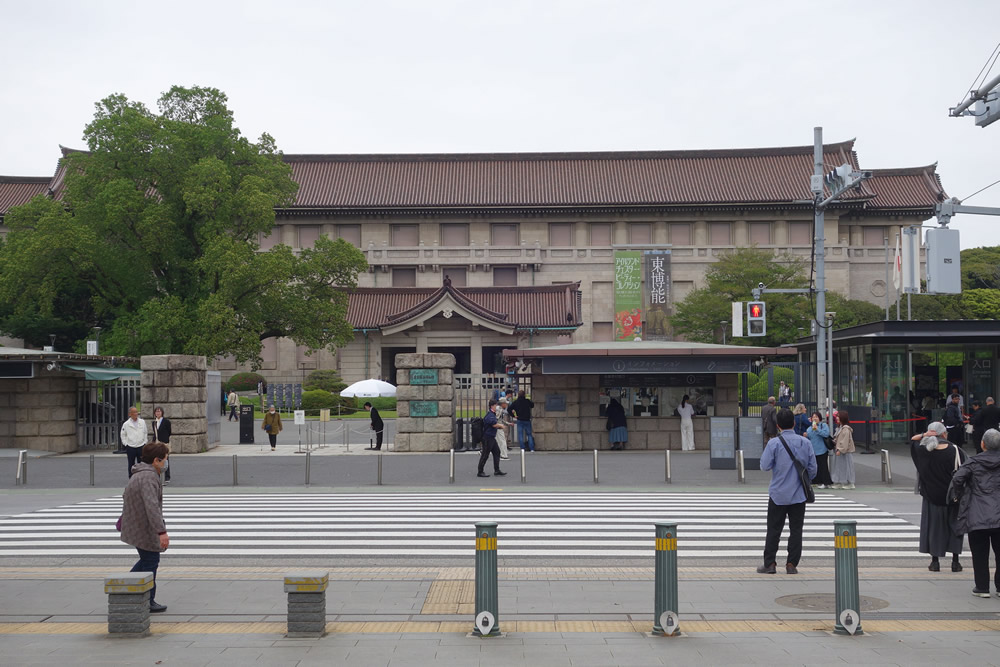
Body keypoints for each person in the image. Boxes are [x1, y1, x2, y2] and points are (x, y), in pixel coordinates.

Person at [757, 408, 817, 575]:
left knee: (773, 529)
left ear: (778, 425)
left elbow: (764, 466)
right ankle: (791, 564)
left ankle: (770, 564)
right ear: (794, 423)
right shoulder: (805, 443)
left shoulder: (774, 443)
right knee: (796, 530)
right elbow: (813, 470)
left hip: (778, 494)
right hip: (799, 494)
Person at [120, 440, 170, 613]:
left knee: (147, 560)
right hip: (143, 527)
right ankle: (146, 599)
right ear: (156, 460)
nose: (166, 463)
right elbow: (152, 506)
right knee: (150, 561)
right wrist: (161, 532)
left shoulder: (139, 473)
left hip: (136, 524)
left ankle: (126, 590)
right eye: (165, 459)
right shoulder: (149, 477)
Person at [909, 422, 966, 573]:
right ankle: (955, 562)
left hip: (931, 496)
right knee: (954, 527)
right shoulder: (955, 450)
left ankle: (935, 562)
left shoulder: (922, 451)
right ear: (944, 434)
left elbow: (913, 440)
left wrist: (924, 435)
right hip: (953, 497)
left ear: (930, 434)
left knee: (934, 529)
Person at [950, 429, 1000, 598]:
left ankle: (982, 587)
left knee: (979, 553)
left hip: (977, 513)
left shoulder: (973, 462)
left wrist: (960, 494)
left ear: (983, 444)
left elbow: (957, 479)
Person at [477, 400, 506, 478]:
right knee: (485, 454)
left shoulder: (492, 414)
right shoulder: (490, 415)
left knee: (497, 452)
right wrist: (500, 426)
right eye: (495, 405)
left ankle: (497, 470)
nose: (496, 407)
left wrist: (499, 426)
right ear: (492, 406)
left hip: (492, 437)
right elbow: (493, 424)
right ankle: (480, 471)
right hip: (487, 438)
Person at [806, 411, 833, 489]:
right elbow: (809, 437)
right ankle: (816, 481)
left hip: (822, 450)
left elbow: (826, 434)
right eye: (813, 417)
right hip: (813, 450)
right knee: (815, 467)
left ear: (820, 418)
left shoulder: (823, 425)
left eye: (816, 417)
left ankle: (826, 482)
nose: (815, 418)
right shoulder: (809, 428)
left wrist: (817, 429)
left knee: (823, 466)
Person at [830, 410, 856, 490]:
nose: (837, 418)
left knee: (846, 467)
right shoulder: (840, 428)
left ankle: (850, 483)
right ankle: (840, 482)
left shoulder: (845, 429)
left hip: (844, 452)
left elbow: (845, 441)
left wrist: (840, 450)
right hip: (840, 451)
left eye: (838, 416)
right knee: (840, 467)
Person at [120, 407, 147, 478]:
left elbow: (145, 432)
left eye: (136, 412)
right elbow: (123, 435)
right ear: (130, 414)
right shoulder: (126, 424)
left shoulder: (142, 422)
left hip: (141, 446)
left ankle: (141, 477)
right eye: (134, 412)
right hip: (130, 447)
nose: (136, 414)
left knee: (141, 464)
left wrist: (145, 442)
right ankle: (131, 478)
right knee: (131, 464)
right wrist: (126, 444)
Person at [152, 407, 172, 485]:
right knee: (157, 459)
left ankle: (167, 476)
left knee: (165, 459)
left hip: (164, 443)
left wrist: (165, 439)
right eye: (156, 412)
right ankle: (158, 475)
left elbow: (169, 432)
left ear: (162, 412)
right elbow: (155, 433)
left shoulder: (166, 421)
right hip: (157, 442)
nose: (158, 413)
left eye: (159, 411)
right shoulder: (154, 422)